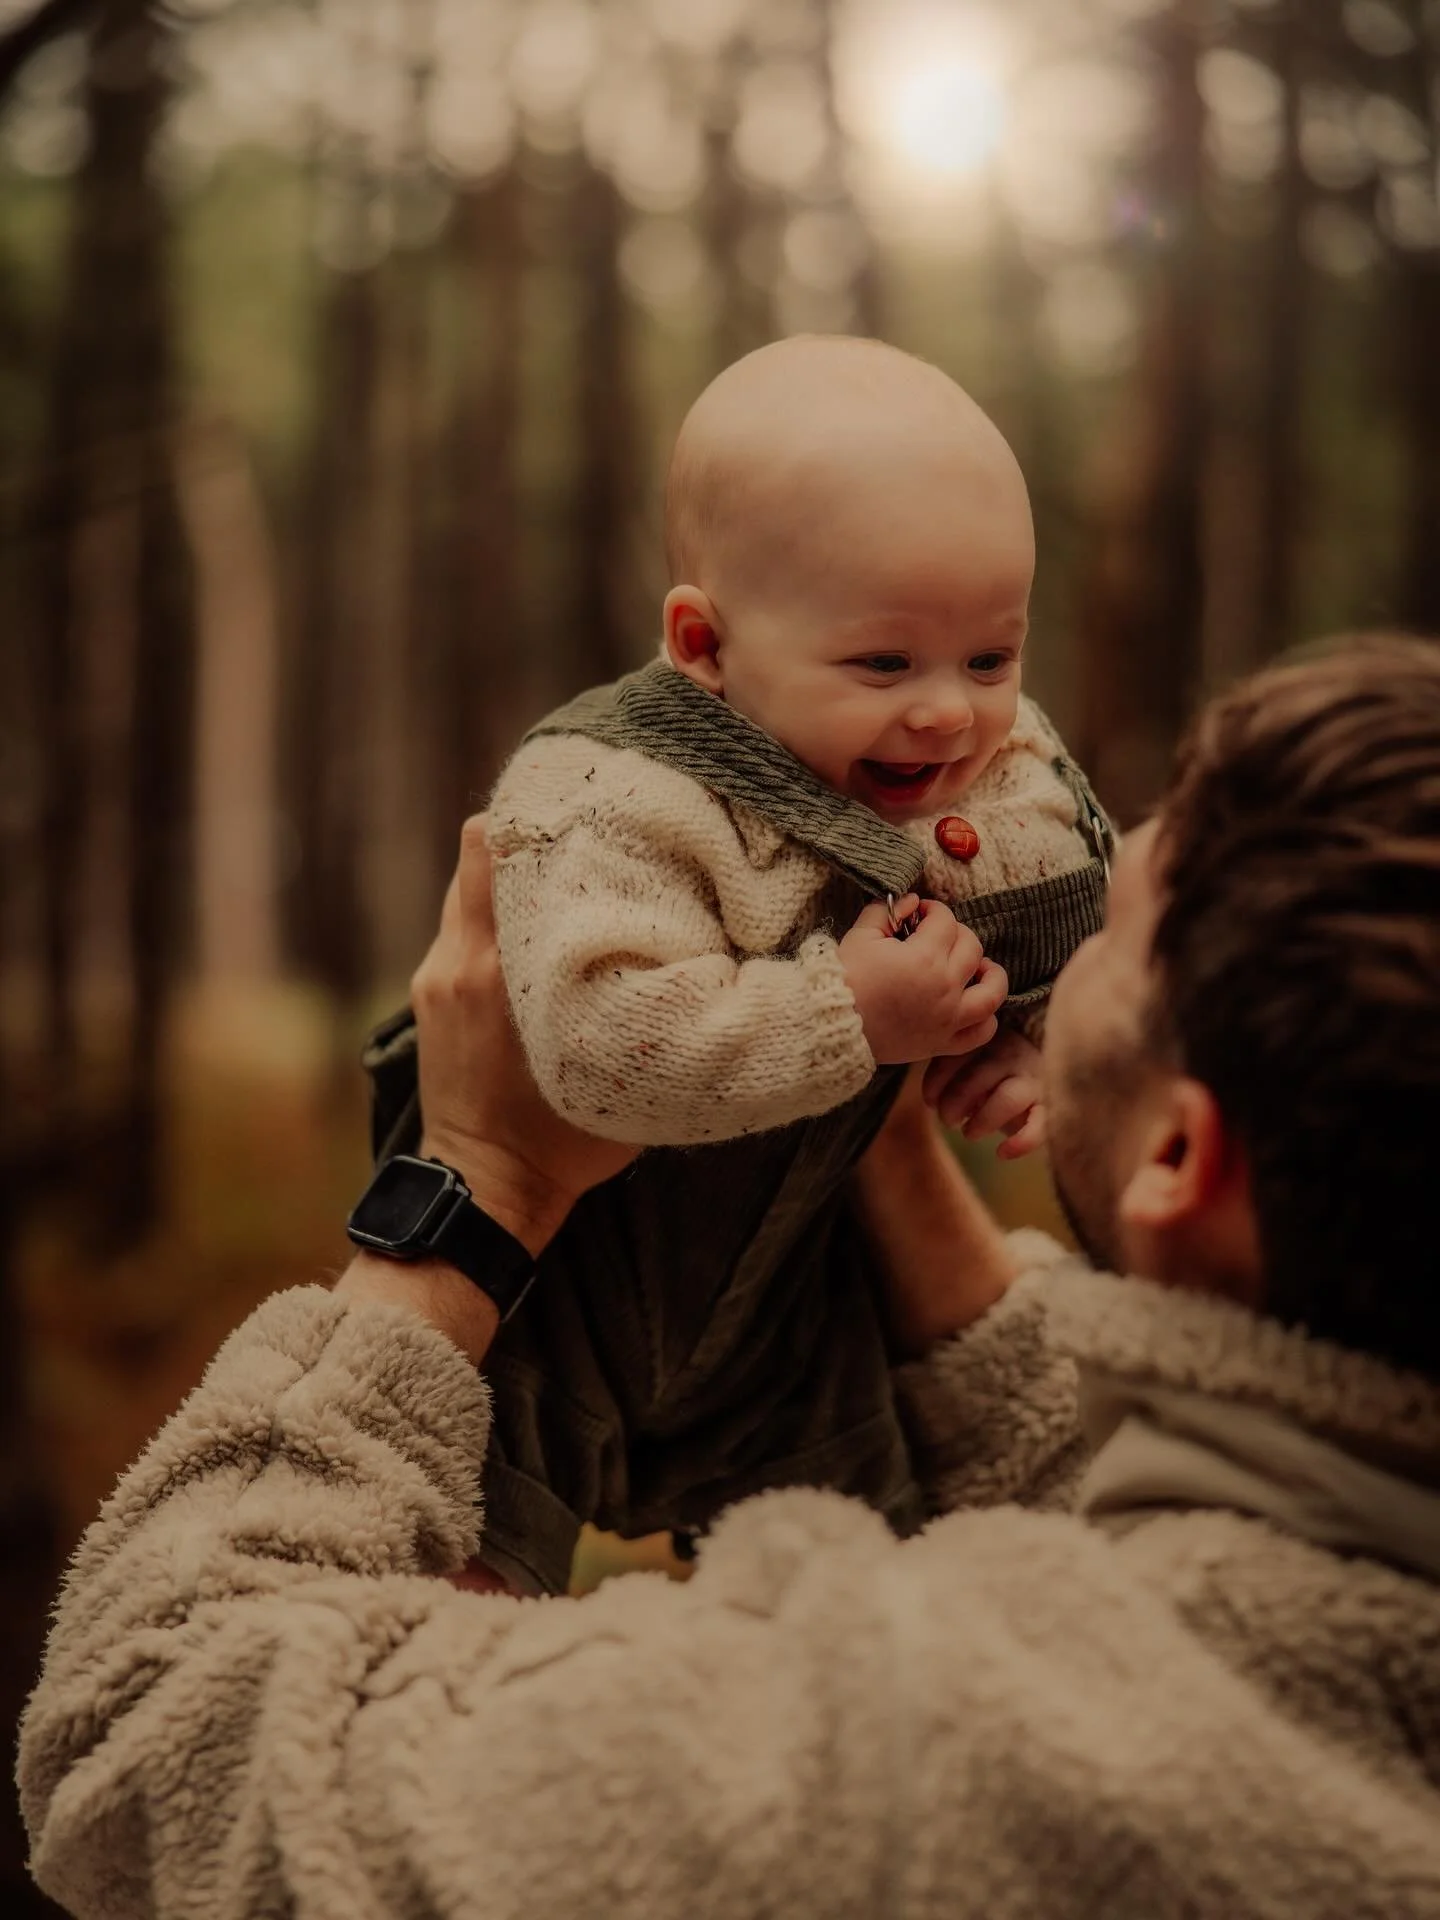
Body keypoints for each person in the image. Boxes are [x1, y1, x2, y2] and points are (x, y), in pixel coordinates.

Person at [21, 635, 1440, 1918]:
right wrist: (853, 1111)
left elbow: (151, 1751)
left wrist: (476, 1182)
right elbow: (1169, 1517)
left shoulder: (904, 1761)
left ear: (1183, 1154)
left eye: (1116, 933)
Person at [365, 333, 1113, 1593]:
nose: (949, 712)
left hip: (791, 1309)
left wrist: (1020, 1031)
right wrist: (846, 1013)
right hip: (557, 1298)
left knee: (859, 1603)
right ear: (704, 646)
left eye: (991, 656)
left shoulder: (985, 765)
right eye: (885, 662)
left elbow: (1045, 889)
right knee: (444, 1584)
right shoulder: (607, 798)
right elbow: (600, 1050)